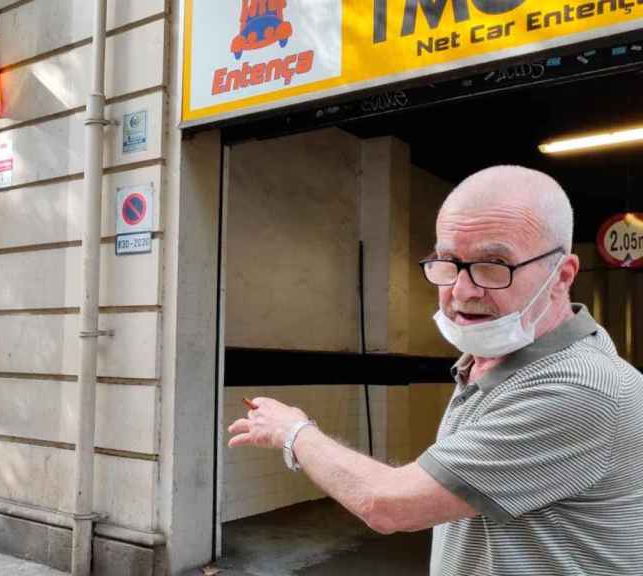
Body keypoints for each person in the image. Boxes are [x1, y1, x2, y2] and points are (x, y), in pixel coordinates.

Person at [229, 165, 643, 575]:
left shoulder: (580, 389)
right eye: (447, 263)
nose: (461, 291)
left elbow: (387, 503)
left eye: (493, 265)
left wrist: (294, 433)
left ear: (562, 275)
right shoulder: (489, 362)